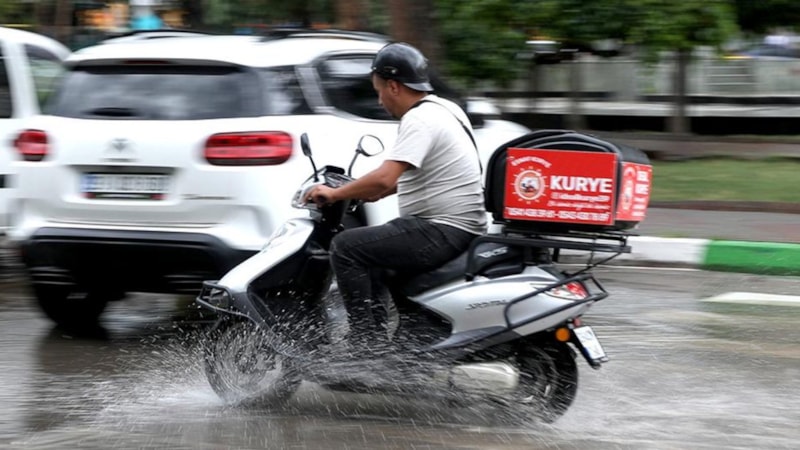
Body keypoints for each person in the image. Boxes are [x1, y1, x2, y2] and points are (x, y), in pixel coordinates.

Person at [308, 42, 486, 352]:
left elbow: (385, 176)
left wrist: (335, 193)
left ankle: (364, 344)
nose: (380, 100)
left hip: (442, 229)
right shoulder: (445, 109)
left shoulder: (419, 120)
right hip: (458, 227)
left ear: (393, 86)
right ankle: (392, 346)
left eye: (379, 91)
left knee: (346, 247)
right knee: (374, 250)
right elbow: (421, 174)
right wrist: (371, 192)